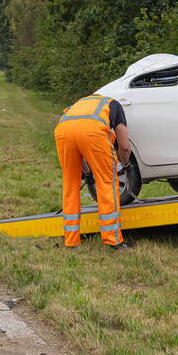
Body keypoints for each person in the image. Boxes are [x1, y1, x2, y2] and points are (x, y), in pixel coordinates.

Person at [54, 94, 130, 250]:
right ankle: (113, 240)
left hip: (62, 132)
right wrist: (126, 163)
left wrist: (87, 172)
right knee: (107, 183)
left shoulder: (80, 104)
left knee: (70, 185)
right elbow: (124, 146)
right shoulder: (114, 105)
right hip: (92, 131)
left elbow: (78, 143)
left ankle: (71, 241)